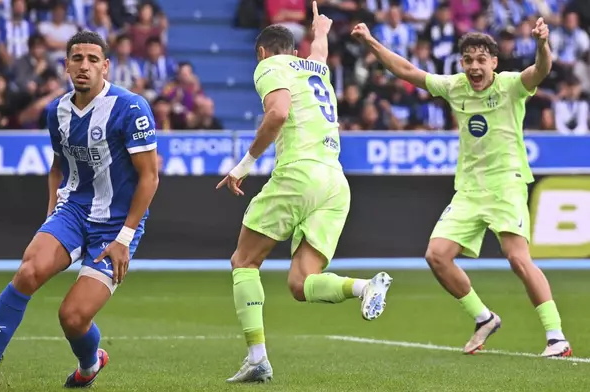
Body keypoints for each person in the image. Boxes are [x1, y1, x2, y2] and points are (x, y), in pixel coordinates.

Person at [350, 18, 572, 357]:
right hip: (469, 190)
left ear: (494, 63)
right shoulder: (455, 86)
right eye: (468, 59)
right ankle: (484, 318)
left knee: (517, 259)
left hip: (506, 184)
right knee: (436, 256)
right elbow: (407, 70)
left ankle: (556, 336)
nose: (474, 66)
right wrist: (370, 42)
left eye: (481, 59)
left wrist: (543, 43)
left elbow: (540, 71)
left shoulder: (511, 85)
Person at [0, 30, 159, 392]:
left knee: (72, 317)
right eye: (77, 58)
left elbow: (150, 177)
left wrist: (124, 239)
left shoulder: (130, 108)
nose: (84, 66)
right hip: (74, 210)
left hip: (114, 227)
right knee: (28, 272)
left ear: (106, 67)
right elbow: (58, 165)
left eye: (93, 59)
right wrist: (53, 212)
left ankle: (89, 362)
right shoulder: (57, 111)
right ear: (66, 65)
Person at [216, 2, 393, 383]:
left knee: (244, 262)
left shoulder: (269, 65)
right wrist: (322, 30)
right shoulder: (316, 68)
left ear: (262, 52)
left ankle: (257, 358)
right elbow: (319, 53)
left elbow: (277, 113)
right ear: (295, 51)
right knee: (301, 283)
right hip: (334, 182)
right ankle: (364, 287)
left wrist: (243, 165)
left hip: (299, 174)